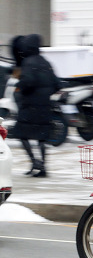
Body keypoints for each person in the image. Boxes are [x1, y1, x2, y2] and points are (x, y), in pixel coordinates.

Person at [11, 34, 61, 177]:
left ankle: (34, 162)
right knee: (42, 138)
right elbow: (57, 84)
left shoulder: (28, 62)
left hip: (29, 106)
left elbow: (27, 82)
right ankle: (43, 167)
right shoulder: (45, 62)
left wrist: (19, 87)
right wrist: (45, 94)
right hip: (44, 106)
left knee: (21, 135)